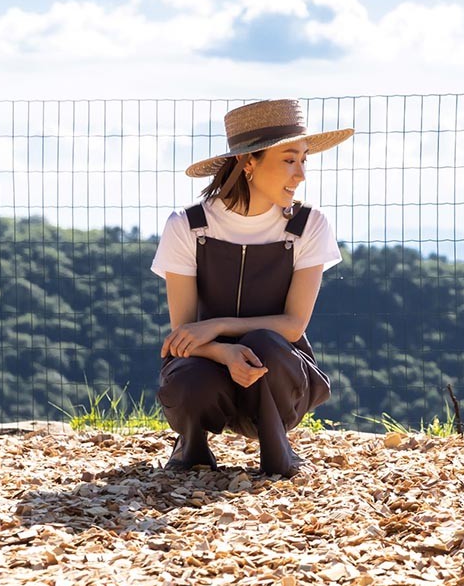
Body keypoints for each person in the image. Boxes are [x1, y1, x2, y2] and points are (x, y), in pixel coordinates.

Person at [150, 99, 353, 477]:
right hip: (209, 371)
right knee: (189, 378)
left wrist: (217, 324)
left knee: (264, 344)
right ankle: (189, 447)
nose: (301, 174)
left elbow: (293, 326)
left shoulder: (310, 224)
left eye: (304, 159)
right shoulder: (188, 225)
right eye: (289, 160)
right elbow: (183, 336)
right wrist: (224, 352)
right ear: (249, 164)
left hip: (278, 376)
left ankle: (279, 450)